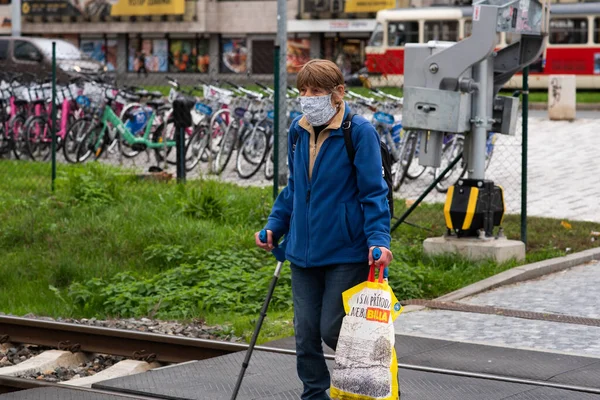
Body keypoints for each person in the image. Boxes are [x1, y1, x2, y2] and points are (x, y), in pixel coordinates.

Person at [255, 59, 393, 400]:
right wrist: (275, 224)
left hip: (345, 250)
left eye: (315, 91)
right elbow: (294, 188)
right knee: (304, 336)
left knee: (334, 328)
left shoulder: (358, 132)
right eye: (303, 90)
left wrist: (378, 240)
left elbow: (374, 192)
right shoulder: (297, 130)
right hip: (301, 251)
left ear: (337, 93)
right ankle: (314, 396)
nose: (307, 97)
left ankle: (371, 382)